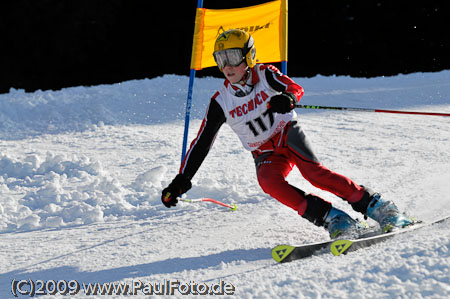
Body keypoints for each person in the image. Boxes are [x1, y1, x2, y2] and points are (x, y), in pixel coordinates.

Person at [161, 29, 413, 238]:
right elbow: (202, 143)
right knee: (268, 182)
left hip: (287, 133)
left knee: (314, 173)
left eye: (233, 56)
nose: (226, 65)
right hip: (265, 151)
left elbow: (294, 87)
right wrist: (182, 179)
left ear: (248, 56)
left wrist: (288, 98)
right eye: (220, 58)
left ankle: (379, 208)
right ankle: (335, 220)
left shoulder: (265, 74)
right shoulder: (221, 101)